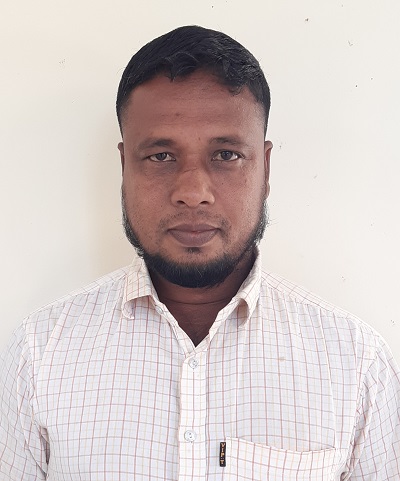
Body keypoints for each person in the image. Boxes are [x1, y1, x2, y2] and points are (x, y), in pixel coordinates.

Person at [0, 25, 399, 481]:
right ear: (124, 166)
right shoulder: (39, 353)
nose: (193, 192)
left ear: (266, 169)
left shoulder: (357, 365)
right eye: (161, 156)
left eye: (226, 155)